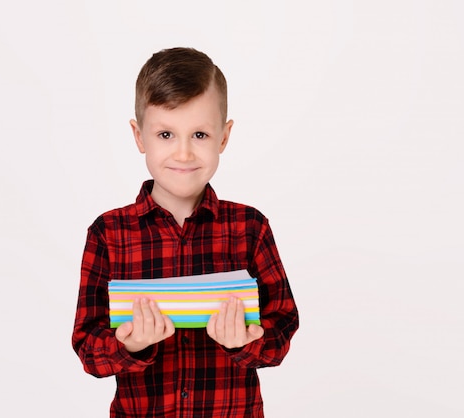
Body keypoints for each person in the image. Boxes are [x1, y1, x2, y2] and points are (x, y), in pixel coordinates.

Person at [72, 47, 299, 417]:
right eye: (165, 134)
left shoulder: (250, 228)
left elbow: (282, 327)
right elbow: (88, 347)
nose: (183, 153)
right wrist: (131, 345)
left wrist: (244, 343)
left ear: (223, 138)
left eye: (199, 134)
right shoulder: (108, 233)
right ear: (139, 135)